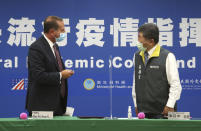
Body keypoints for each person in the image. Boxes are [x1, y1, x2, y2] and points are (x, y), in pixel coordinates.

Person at [25, 16, 74, 116]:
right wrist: (61, 75)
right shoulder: (36, 48)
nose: (65, 32)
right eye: (62, 30)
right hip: (42, 106)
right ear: (52, 32)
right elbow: (38, 76)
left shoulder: (55, 46)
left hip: (57, 105)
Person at [132, 23, 182, 119]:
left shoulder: (167, 56)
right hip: (143, 112)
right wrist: (136, 103)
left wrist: (169, 106)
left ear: (151, 41)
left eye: (139, 37)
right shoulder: (137, 56)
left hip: (163, 112)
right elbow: (136, 82)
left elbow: (175, 84)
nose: (138, 41)